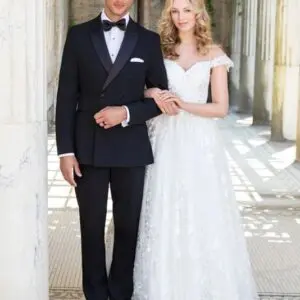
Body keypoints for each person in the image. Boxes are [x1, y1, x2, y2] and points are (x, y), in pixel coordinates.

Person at [105, 0, 259, 299]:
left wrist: (181, 103)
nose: (181, 17)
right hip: (164, 138)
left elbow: (220, 108)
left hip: (200, 143)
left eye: (187, 10)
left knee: (203, 210)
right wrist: (153, 93)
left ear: (199, 13)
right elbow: (141, 87)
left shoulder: (213, 54)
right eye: (175, 11)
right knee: (161, 206)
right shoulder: (157, 49)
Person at [55, 0, 179, 299]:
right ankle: (95, 294)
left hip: (130, 148)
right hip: (88, 148)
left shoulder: (148, 40)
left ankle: (122, 293)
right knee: (91, 228)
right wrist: (65, 151)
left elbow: (160, 99)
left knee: (128, 228)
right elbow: (66, 95)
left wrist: (124, 113)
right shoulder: (78, 35)